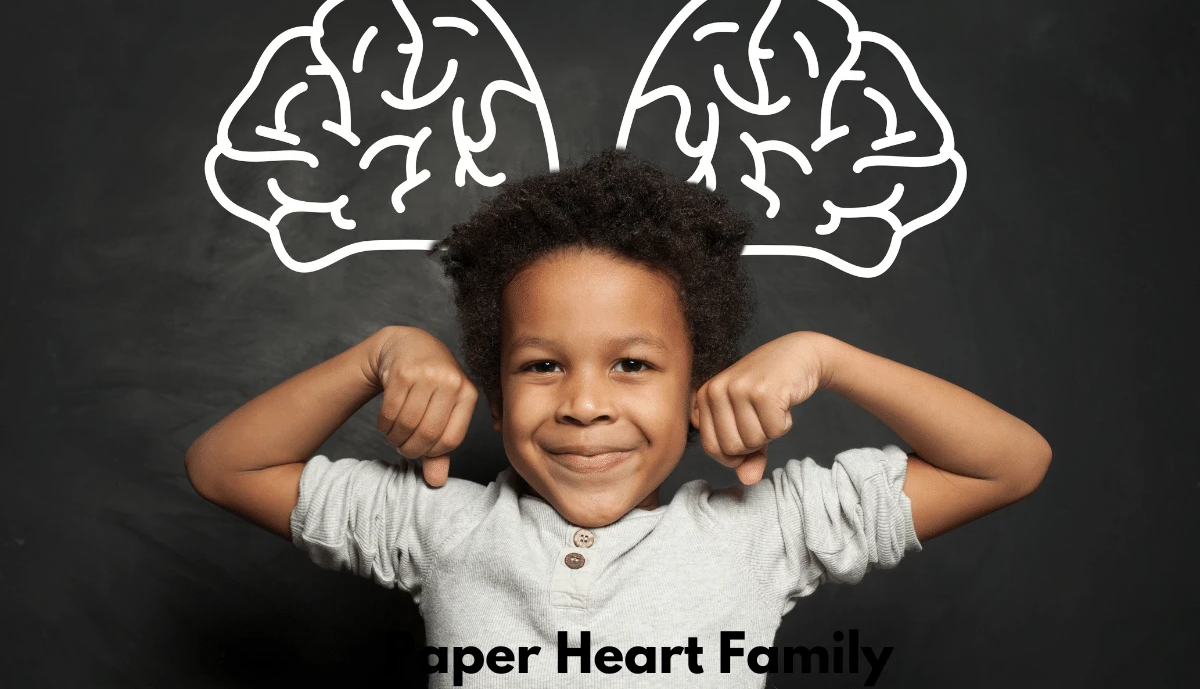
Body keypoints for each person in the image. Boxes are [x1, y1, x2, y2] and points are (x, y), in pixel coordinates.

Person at [186, 151, 1050, 684]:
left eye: (633, 365)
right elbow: (225, 468)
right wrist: (380, 354)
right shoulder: (438, 527)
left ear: (697, 388)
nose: (586, 402)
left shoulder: (767, 532)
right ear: (494, 389)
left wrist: (830, 357)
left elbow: (1008, 462)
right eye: (542, 365)